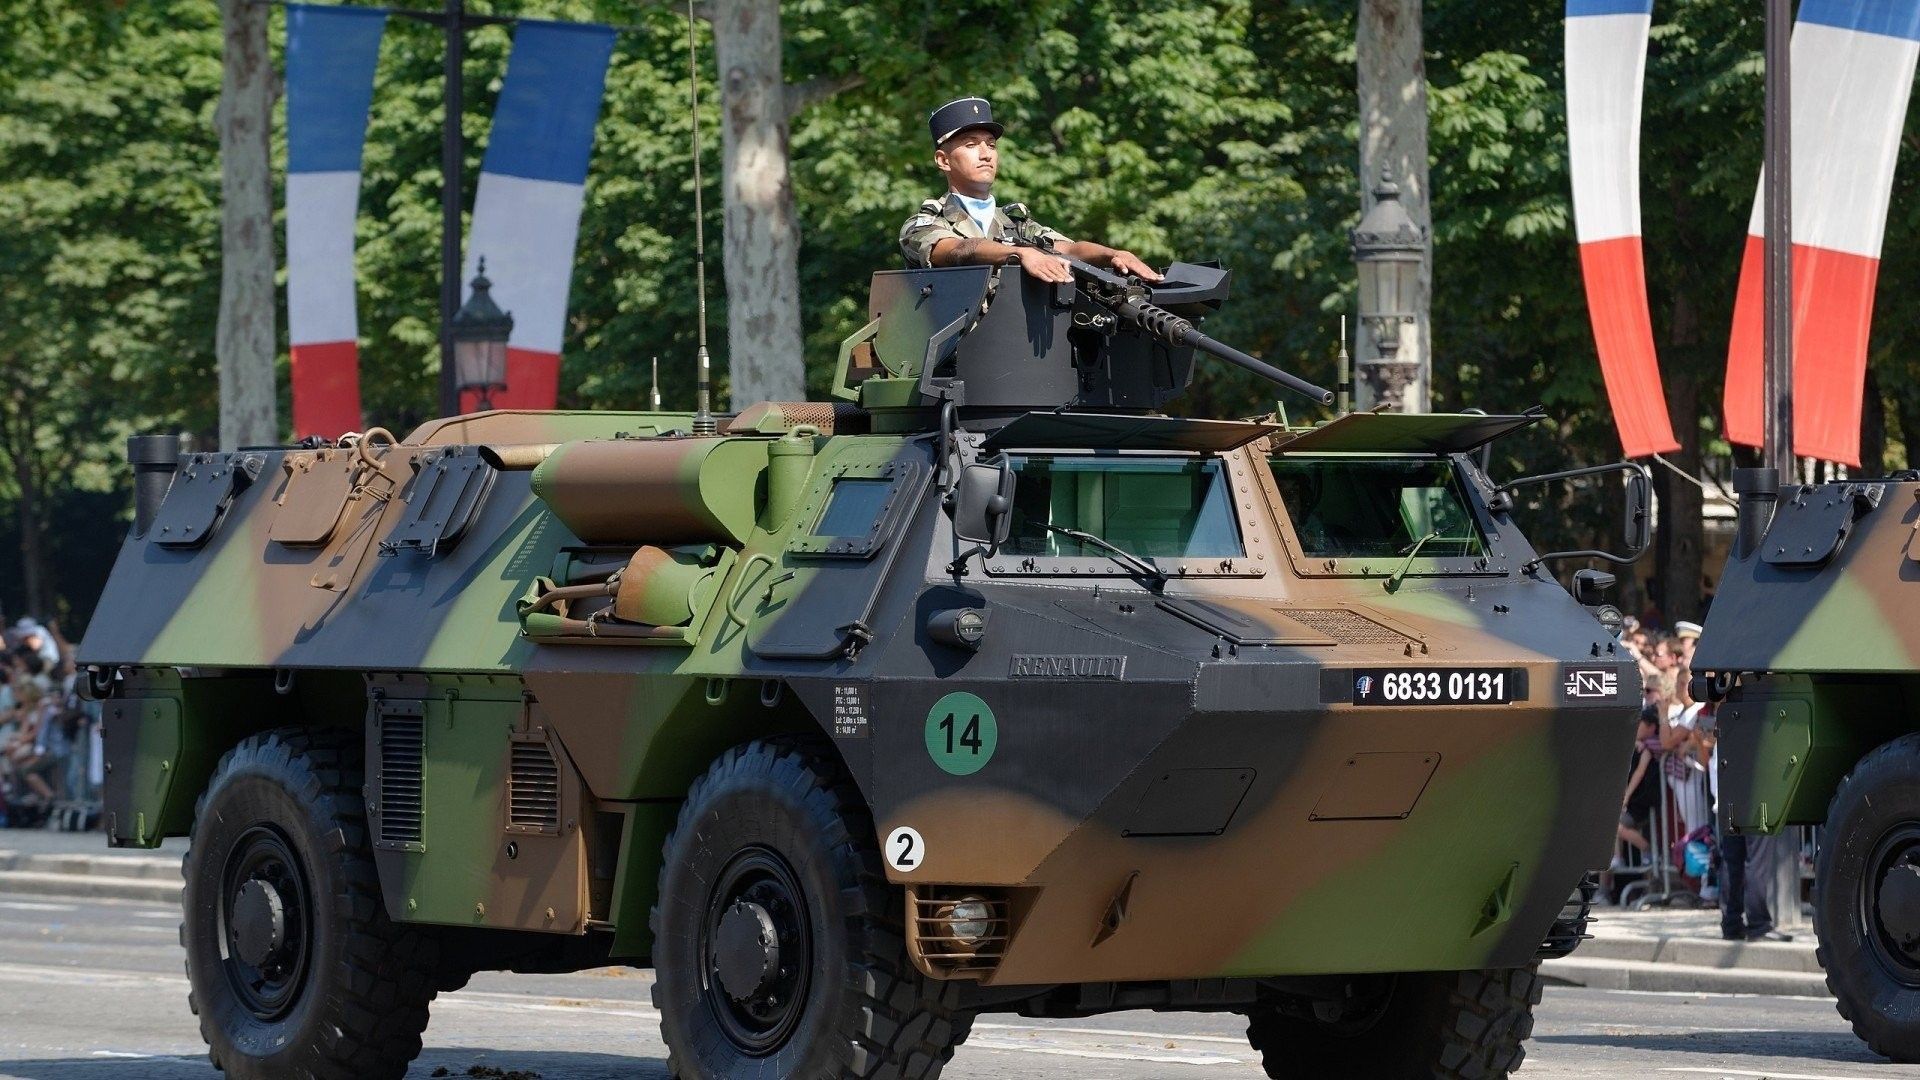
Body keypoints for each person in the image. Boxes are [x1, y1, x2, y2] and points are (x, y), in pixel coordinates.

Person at [899, 97, 1160, 284]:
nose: (985, 154)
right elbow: (957, 251)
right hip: (956, 354)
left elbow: (1069, 250)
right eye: (971, 145)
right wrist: (1019, 253)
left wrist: (1113, 254)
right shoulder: (923, 226)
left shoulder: (1016, 224)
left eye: (991, 145)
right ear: (943, 160)